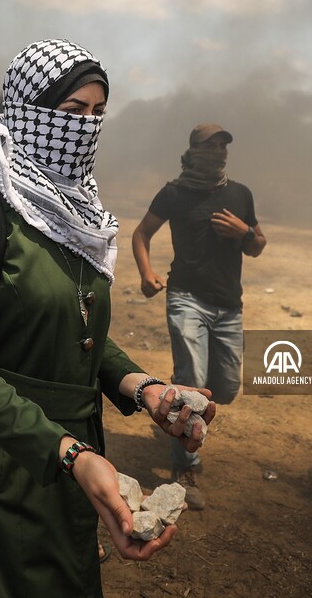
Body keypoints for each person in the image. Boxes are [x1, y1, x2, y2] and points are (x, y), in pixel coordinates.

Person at [0, 39, 215, 597]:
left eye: (98, 114)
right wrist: (71, 455)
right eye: (71, 113)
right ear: (25, 111)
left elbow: (80, 332)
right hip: (2, 464)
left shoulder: (75, 209)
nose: (85, 128)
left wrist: (147, 390)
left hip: (76, 456)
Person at [131, 124, 266, 510]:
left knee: (224, 390)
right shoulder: (174, 193)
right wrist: (145, 273)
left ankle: (181, 414)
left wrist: (244, 233)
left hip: (229, 306)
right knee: (192, 382)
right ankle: (185, 465)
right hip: (186, 298)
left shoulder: (240, 194)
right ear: (194, 150)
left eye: (225, 144)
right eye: (212, 144)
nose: (220, 150)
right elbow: (141, 233)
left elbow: (258, 246)